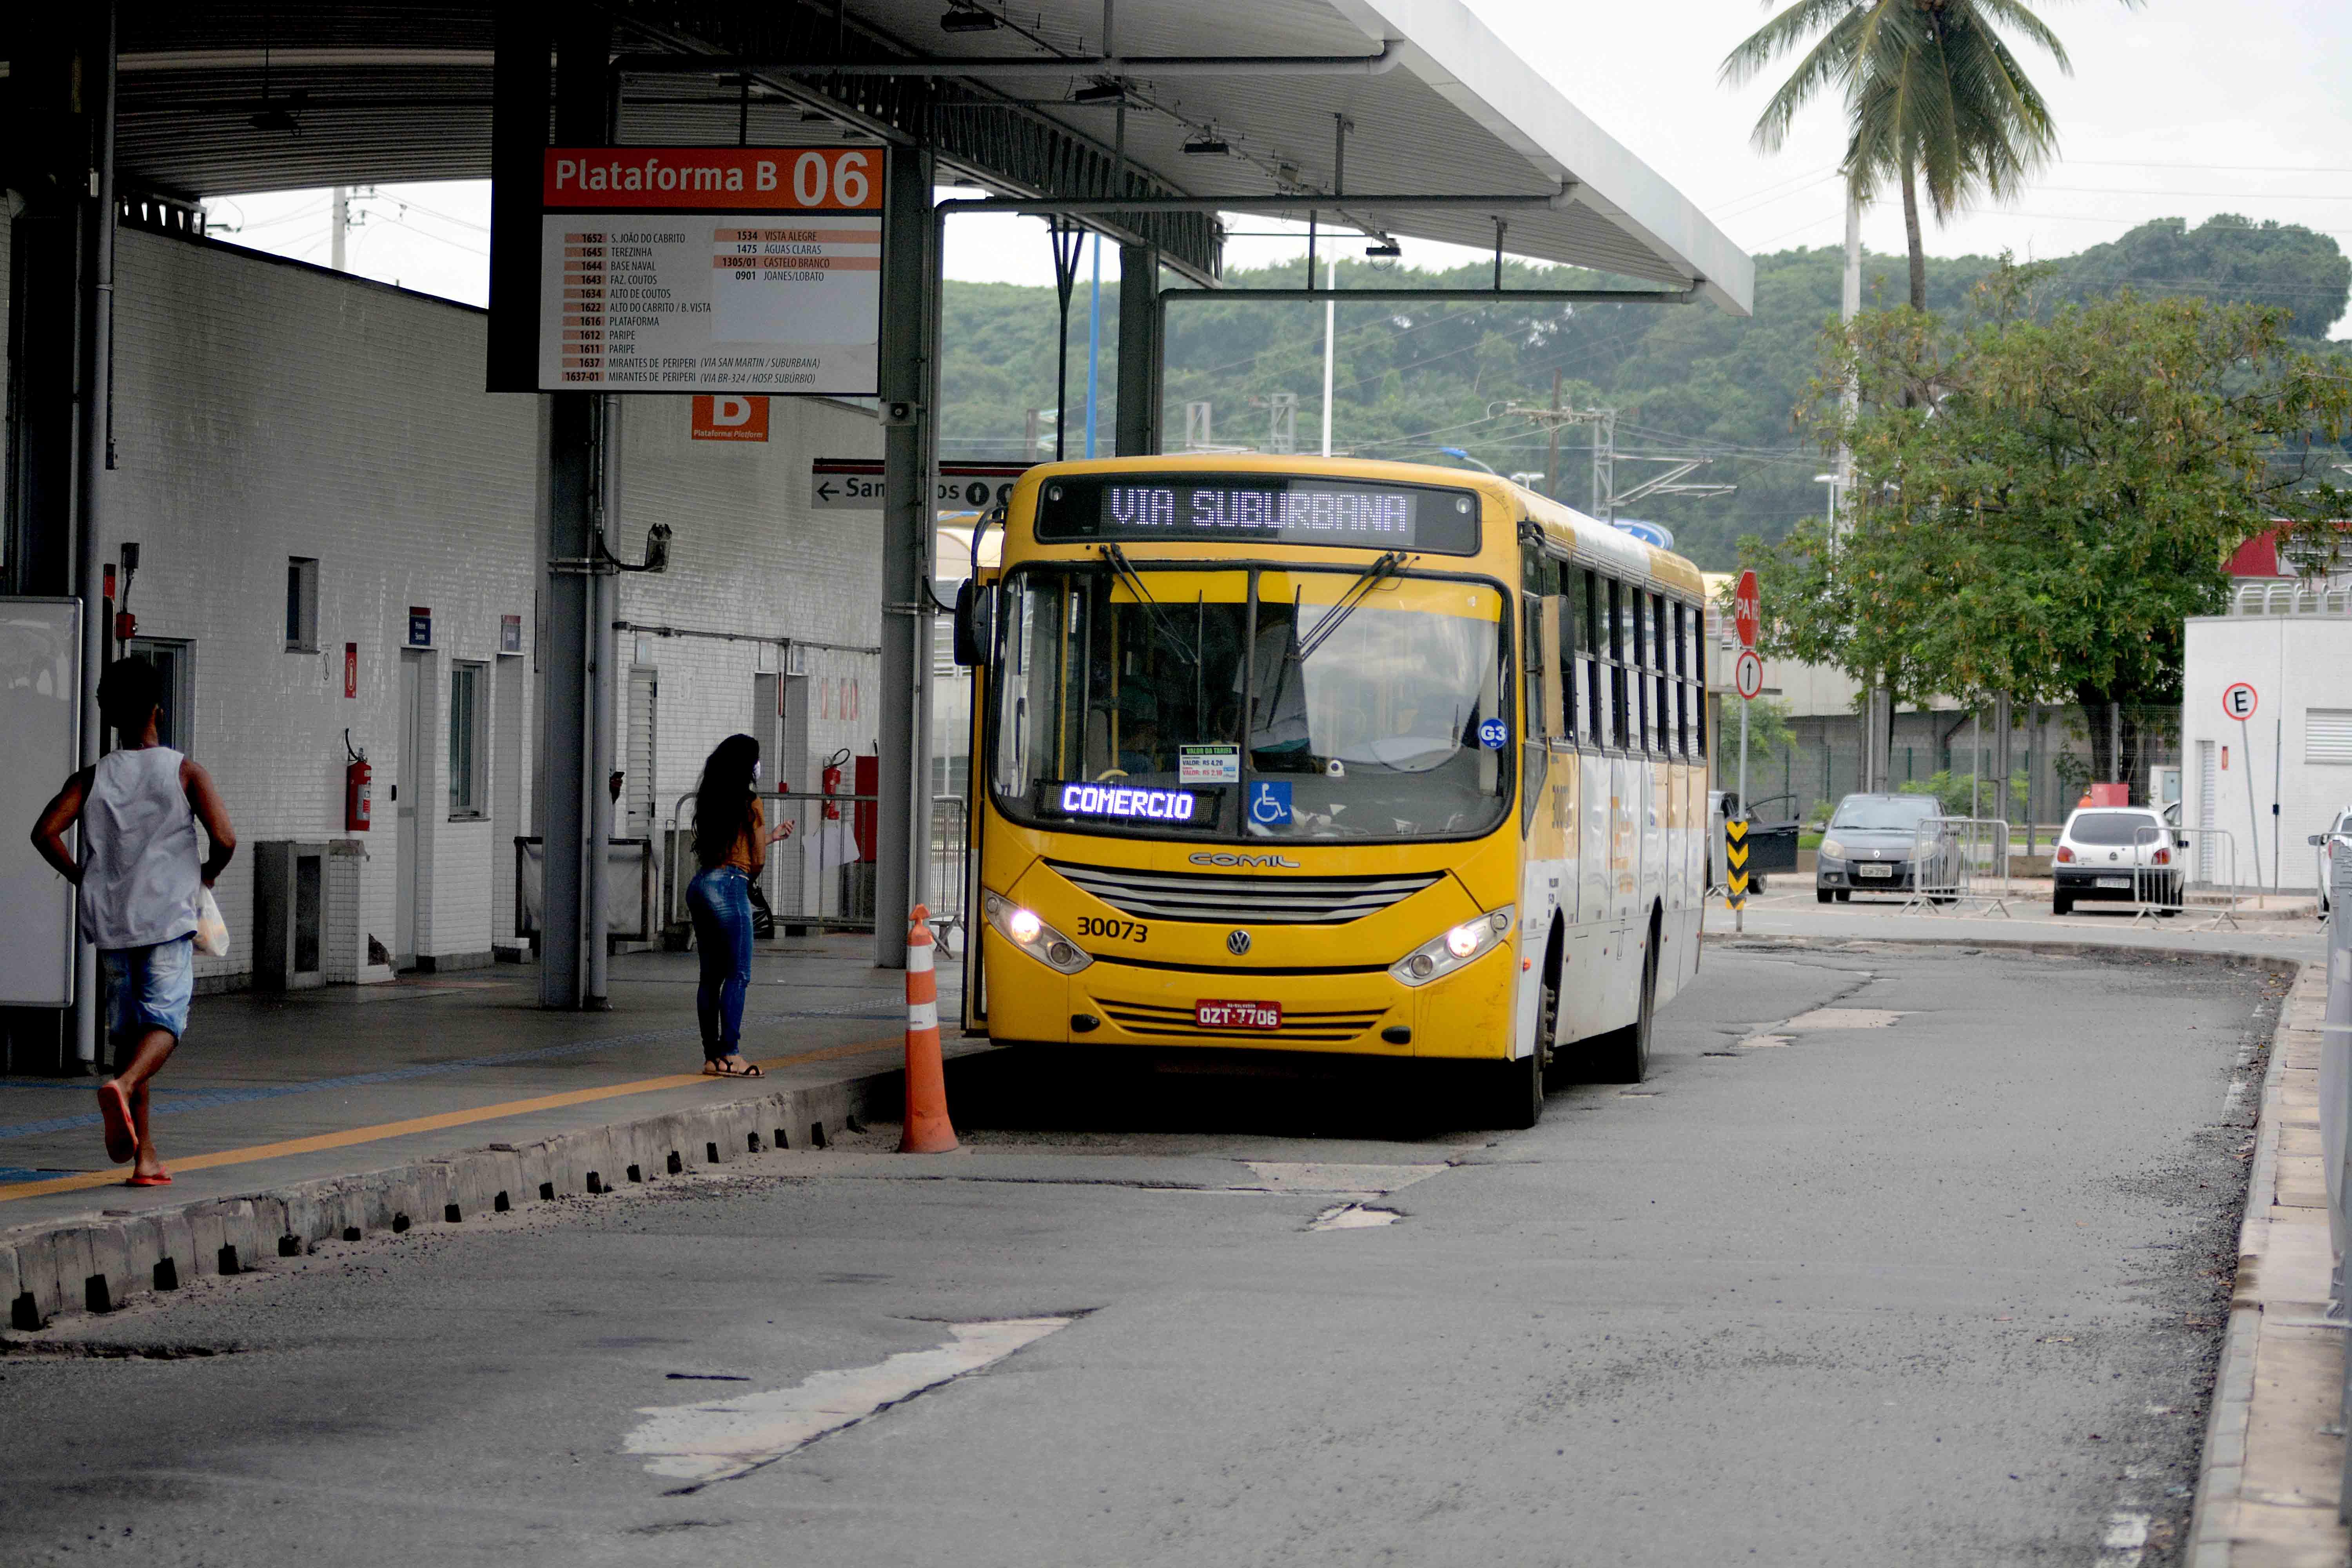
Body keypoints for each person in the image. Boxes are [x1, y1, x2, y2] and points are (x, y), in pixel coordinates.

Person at [28, 657, 236, 1186]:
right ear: (157, 710)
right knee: (165, 1025)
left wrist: (82, 877)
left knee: (130, 1039)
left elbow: (45, 831)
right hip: (167, 920)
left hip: (115, 925)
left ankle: (145, 1158)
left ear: (113, 715)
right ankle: (121, 1090)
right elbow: (227, 839)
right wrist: (206, 876)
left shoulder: (94, 777)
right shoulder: (184, 771)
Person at [685, 733, 791, 1077]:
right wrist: (752, 871)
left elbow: (734, 847)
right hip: (731, 888)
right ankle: (731, 1055)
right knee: (738, 974)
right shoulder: (751, 802)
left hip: (702, 886)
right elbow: (754, 860)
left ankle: (712, 1057)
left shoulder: (712, 798)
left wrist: (769, 836)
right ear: (748, 765)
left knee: (709, 978)